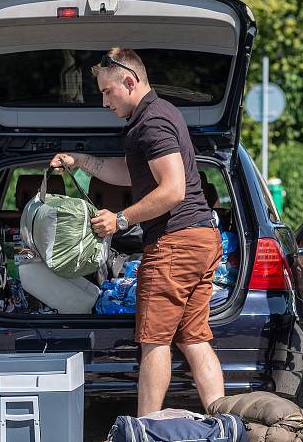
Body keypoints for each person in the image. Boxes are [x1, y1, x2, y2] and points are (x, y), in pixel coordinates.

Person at [49, 48, 225, 416]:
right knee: (194, 338)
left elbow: (172, 189)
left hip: (175, 241)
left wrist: (122, 219)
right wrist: (79, 160)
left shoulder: (152, 123)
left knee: (154, 340)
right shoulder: (159, 116)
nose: (103, 101)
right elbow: (130, 174)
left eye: (107, 92)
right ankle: (226, 427)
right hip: (201, 238)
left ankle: (145, 432)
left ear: (130, 81)